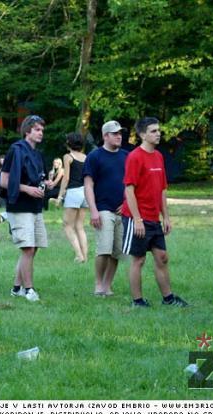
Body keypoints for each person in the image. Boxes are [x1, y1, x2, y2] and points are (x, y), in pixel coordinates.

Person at [121, 117, 188, 308]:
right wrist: (137, 219)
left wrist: (165, 216)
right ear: (142, 135)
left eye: (159, 130)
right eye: (153, 131)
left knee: (162, 257)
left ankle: (169, 299)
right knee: (139, 259)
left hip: (154, 218)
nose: (158, 133)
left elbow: (162, 189)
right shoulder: (134, 157)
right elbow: (129, 190)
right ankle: (138, 301)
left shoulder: (158, 156)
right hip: (137, 218)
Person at [0, 115, 53, 302]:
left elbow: (40, 179)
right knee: (27, 248)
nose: (41, 133)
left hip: (35, 207)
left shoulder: (38, 155)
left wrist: (47, 184)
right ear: (27, 131)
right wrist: (27, 189)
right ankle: (29, 290)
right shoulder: (15, 150)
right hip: (19, 206)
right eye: (37, 129)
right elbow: (4, 181)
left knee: (32, 249)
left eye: (42, 130)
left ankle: (16, 288)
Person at [83, 121, 128, 296]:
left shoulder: (126, 156)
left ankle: (108, 285)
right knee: (104, 248)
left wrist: (126, 204)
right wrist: (93, 210)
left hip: (122, 210)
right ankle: (98, 284)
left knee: (117, 251)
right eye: (115, 133)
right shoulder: (95, 156)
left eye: (120, 133)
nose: (119, 136)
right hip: (102, 208)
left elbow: (132, 184)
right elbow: (88, 184)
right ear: (105, 136)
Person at [56, 133, 89, 263]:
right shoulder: (86, 157)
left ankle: (79, 255)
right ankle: (85, 257)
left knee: (67, 225)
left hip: (74, 192)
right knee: (79, 226)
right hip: (85, 192)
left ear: (69, 143)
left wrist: (60, 195)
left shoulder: (67, 156)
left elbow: (67, 177)